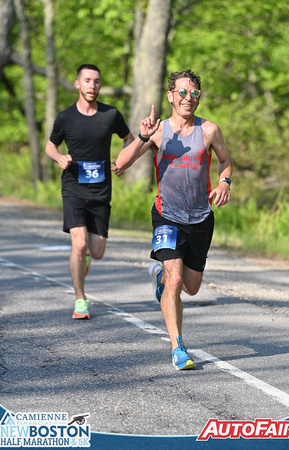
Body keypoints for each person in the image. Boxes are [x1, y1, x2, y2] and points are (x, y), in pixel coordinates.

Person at [115, 69, 232, 370]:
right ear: (170, 96)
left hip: (200, 218)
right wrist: (142, 135)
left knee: (190, 287)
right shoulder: (158, 131)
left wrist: (224, 182)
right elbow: (120, 165)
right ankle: (178, 346)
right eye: (182, 92)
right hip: (167, 215)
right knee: (176, 280)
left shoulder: (209, 130)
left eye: (194, 93)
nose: (188, 98)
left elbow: (226, 160)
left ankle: (159, 277)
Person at [45, 64, 134, 319]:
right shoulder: (65, 118)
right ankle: (80, 299)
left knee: (97, 251)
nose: (92, 85)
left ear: (100, 85)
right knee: (79, 244)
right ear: (77, 84)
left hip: (101, 191)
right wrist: (59, 158)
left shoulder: (110, 115)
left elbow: (129, 139)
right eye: (87, 81)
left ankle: (85, 258)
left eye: (96, 81)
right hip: (73, 188)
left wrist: (123, 160)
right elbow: (50, 146)